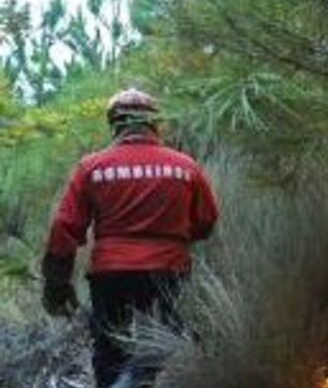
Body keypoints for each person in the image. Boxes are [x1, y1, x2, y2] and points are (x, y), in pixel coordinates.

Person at [41, 88, 219, 388]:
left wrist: (57, 284)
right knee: (165, 348)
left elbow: (65, 227)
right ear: (154, 123)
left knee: (111, 352)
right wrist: (175, 237)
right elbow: (206, 222)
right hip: (168, 272)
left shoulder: (92, 167)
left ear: (115, 124)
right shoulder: (186, 167)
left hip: (112, 275)